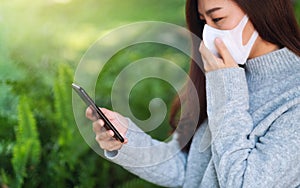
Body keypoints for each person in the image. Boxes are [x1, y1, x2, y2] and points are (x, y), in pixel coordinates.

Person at [86, 0, 300, 187]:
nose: (209, 33)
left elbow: (243, 183)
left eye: (217, 18)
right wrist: (127, 140)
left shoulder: (289, 95)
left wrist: (226, 88)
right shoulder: (226, 73)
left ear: (261, 10)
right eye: (204, 21)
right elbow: (190, 171)